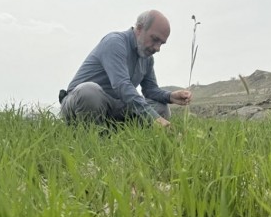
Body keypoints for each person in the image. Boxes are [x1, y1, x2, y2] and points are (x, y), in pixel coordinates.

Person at [60, 10, 192, 128]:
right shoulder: (115, 42)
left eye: (161, 43)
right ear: (139, 28)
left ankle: (113, 134)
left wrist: (170, 96)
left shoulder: (147, 57)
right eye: (155, 39)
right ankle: (90, 137)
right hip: (79, 103)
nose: (157, 48)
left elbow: (150, 90)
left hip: (113, 107)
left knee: (161, 107)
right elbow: (122, 86)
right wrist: (154, 119)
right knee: (89, 92)